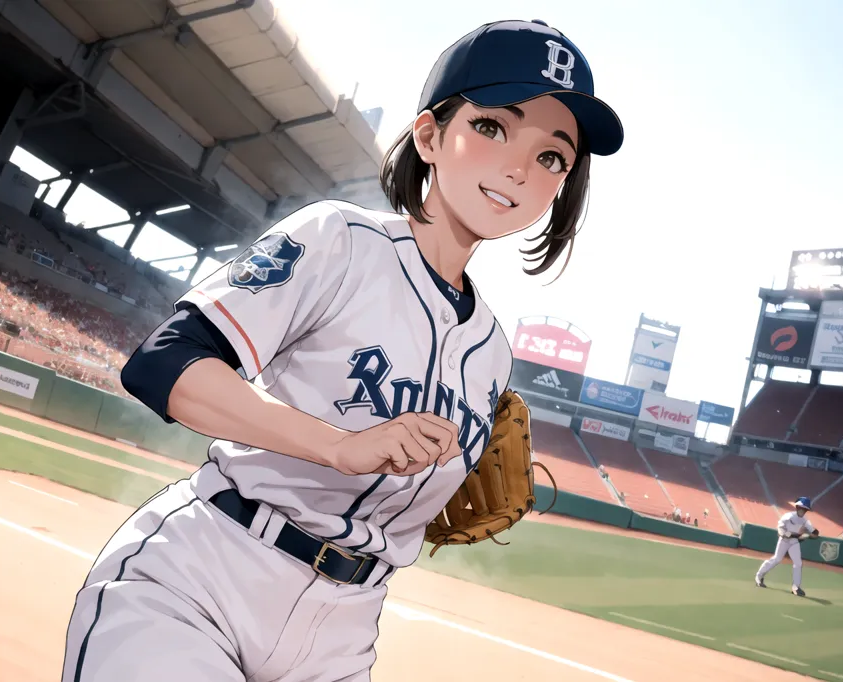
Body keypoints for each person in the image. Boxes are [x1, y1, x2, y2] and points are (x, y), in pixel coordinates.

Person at [59, 18, 623, 682]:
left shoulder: (493, 353)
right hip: (204, 577)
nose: (519, 168)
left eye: (552, 156)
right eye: (494, 127)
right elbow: (164, 364)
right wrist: (337, 445)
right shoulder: (340, 240)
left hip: (345, 634)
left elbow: (407, 481)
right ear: (431, 136)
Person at [755, 497, 820, 596]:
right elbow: (780, 527)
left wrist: (810, 534)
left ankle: (796, 587)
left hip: (794, 542)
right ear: (797, 507)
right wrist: (783, 533)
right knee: (776, 559)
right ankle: (759, 577)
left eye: (805, 509)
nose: (802, 510)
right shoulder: (788, 516)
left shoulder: (806, 521)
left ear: (807, 510)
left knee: (798, 563)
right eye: (801, 508)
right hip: (784, 541)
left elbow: (815, 533)